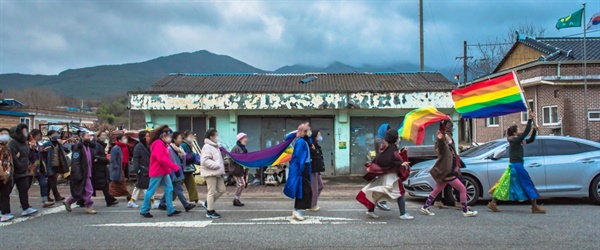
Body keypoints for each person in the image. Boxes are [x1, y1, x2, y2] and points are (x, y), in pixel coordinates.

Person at [487, 113, 546, 214]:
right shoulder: (514, 140)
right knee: (527, 184)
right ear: (514, 132)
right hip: (517, 166)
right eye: (518, 129)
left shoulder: (517, 141)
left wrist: (535, 130)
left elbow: (530, 140)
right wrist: (530, 120)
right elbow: (525, 133)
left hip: (514, 166)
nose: (520, 131)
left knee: (504, 185)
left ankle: (493, 202)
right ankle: (534, 207)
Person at [420, 120, 477, 217]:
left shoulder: (449, 146)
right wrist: (440, 138)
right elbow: (442, 144)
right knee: (463, 189)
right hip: (448, 173)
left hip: (447, 172)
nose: (450, 136)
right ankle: (465, 211)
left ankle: (425, 207)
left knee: (437, 190)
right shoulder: (444, 146)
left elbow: (449, 140)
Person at [358, 129, 413, 220]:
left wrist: (402, 154)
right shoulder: (392, 148)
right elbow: (388, 160)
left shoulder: (390, 147)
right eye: (398, 136)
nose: (399, 137)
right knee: (400, 192)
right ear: (395, 138)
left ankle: (371, 210)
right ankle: (403, 214)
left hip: (388, 175)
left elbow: (390, 158)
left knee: (379, 193)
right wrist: (399, 163)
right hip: (391, 176)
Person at [140, 125, 182, 218]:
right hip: (158, 171)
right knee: (152, 190)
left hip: (162, 171)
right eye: (169, 136)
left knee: (169, 189)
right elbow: (161, 158)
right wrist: (174, 167)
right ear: (163, 136)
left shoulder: (161, 144)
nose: (170, 138)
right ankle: (144, 209)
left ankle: (170, 209)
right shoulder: (159, 144)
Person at [158, 132, 196, 212]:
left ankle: (162, 203)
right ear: (174, 139)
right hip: (172, 171)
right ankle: (186, 205)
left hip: (177, 170)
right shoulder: (170, 149)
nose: (181, 140)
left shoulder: (179, 149)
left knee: (173, 188)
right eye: (179, 138)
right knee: (176, 188)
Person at [284, 123, 313, 221]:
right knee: (305, 189)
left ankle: (298, 210)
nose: (310, 131)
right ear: (304, 131)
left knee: (305, 189)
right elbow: (296, 157)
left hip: (306, 167)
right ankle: (297, 210)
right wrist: (299, 170)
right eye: (308, 129)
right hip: (302, 168)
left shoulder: (305, 141)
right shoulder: (301, 142)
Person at [62, 131, 97, 214]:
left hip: (88, 172)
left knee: (80, 191)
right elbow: (76, 162)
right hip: (82, 173)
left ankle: (68, 201)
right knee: (89, 190)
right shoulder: (78, 147)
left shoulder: (90, 147)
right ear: (82, 137)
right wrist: (77, 174)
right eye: (87, 136)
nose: (89, 138)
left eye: (90, 136)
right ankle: (88, 206)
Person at [8, 123, 38, 217]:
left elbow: (25, 155)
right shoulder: (12, 143)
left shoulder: (24, 142)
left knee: (23, 190)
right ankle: (4, 210)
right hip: (14, 171)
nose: (26, 133)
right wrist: (20, 165)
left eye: (26, 131)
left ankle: (26, 208)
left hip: (24, 171)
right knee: (6, 191)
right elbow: (13, 156)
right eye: (24, 131)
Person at [200, 128, 226, 219]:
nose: (217, 137)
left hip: (217, 172)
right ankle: (210, 211)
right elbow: (204, 161)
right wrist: (216, 165)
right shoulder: (207, 147)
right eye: (216, 135)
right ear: (211, 137)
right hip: (210, 172)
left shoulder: (215, 146)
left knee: (222, 189)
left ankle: (207, 202)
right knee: (211, 191)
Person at [131, 131, 158, 208]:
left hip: (147, 169)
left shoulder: (147, 145)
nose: (148, 138)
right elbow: (135, 159)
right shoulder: (138, 147)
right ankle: (152, 201)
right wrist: (137, 169)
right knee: (146, 187)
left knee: (139, 186)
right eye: (147, 136)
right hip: (142, 170)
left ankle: (132, 201)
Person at [28, 129, 54, 208]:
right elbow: (28, 155)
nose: (39, 137)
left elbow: (41, 155)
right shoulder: (29, 145)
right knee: (26, 186)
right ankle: (25, 202)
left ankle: (45, 200)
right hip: (31, 167)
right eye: (38, 135)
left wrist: (44, 151)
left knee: (43, 183)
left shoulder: (39, 144)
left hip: (40, 167)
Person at [92, 131, 118, 207]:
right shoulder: (98, 145)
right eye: (103, 135)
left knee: (105, 184)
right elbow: (96, 156)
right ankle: (109, 199)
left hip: (101, 168)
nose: (105, 136)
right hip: (99, 168)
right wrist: (105, 160)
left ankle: (109, 199)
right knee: (103, 185)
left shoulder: (100, 145)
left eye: (105, 135)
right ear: (98, 136)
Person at [42, 130, 67, 202]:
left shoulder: (58, 144)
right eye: (53, 134)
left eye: (56, 133)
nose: (55, 135)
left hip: (57, 164)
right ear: (49, 136)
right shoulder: (46, 144)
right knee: (53, 180)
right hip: (49, 165)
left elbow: (65, 150)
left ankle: (46, 195)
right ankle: (56, 195)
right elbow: (41, 154)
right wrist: (44, 151)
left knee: (50, 181)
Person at [109, 134, 133, 207]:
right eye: (124, 138)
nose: (125, 140)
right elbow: (113, 159)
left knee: (117, 183)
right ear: (119, 140)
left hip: (124, 166)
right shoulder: (116, 148)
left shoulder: (126, 146)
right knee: (120, 182)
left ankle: (109, 195)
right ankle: (129, 195)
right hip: (119, 168)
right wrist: (116, 167)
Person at [374, 124, 391, 211]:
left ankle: (379, 202)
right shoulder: (379, 140)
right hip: (381, 165)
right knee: (383, 184)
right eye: (387, 130)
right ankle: (381, 202)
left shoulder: (383, 139)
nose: (388, 132)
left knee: (383, 184)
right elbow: (382, 150)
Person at [181, 131, 200, 204]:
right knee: (178, 186)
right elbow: (186, 156)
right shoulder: (184, 145)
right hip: (184, 168)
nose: (192, 137)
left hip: (188, 168)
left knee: (192, 185)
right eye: (190, 136)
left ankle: (195, 199)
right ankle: (167, 200)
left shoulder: (189, 144)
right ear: (185, 137)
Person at [308, 130, 325, 212]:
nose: (320, 136)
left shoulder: (316, 145)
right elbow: (310, 157)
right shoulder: (311, 145)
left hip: (316, 170)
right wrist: (312, 150)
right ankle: (312, 205)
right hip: (312, 170)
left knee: (320, 186)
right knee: (314, 188)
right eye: (319, 135)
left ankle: (310, 203)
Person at [229, 133, 248, 207]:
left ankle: (237, 198)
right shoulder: (236, 148)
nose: (246, 139)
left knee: (242, 184)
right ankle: (235, 199)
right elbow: (232, 158)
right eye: (245, 138)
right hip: (235, 170)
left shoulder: (243, 148)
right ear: (240, 139)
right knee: (240, 184)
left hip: (239, 170)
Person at [1, 128, 15, 222]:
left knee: (5, 193)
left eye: (6, 134)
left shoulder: (6, 147)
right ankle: (3, 213)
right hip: (2, 173)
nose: (5, 135)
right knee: (3, 194)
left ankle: (5, 212)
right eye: (2, 134)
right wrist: (3, 173)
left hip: (7, 172)